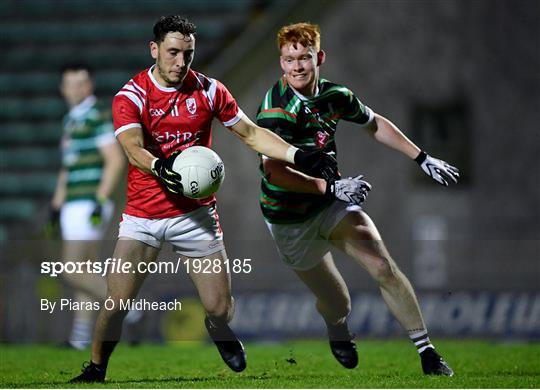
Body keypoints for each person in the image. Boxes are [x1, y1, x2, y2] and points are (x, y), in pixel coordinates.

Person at [70, 15, 338, 383]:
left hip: (195, 215)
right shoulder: (131, 95)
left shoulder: (209, 90)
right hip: (143, 216)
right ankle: (95, 369)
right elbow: (131, 148)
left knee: (220, 307)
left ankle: (218, 327)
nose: (181, 62)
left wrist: (298, 156)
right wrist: (160, 167)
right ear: (155, 50)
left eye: (188, 54)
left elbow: (250, 132)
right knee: (116, 304)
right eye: (173, 52)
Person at [256, 22, 458, 376]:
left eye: (304, 57)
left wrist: (422, 157)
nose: (298, 67)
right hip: (289, 217)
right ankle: (337, 326)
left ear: (319, 57)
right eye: (290, 60)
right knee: (337, 302)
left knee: (382, 265)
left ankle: (427, 353)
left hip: (333, 201)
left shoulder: (335, 95)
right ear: (281, 64)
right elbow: (275, 173)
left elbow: (374, 123)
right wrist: (329, 187)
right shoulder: (275, 110)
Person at [48, 63, 125, 350]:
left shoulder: (95, 116)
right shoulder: (71, 119)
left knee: (70, 269)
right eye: (69, 84)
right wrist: (56, 206)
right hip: (72, 204)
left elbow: (115, 160)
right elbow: (67, 169)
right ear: (62, 88)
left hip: (87, 204)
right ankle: (80, 338)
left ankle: (128, 309)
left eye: (80, 83)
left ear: (89, 86)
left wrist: (100, 200)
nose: (75, 89)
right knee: (86, 269)